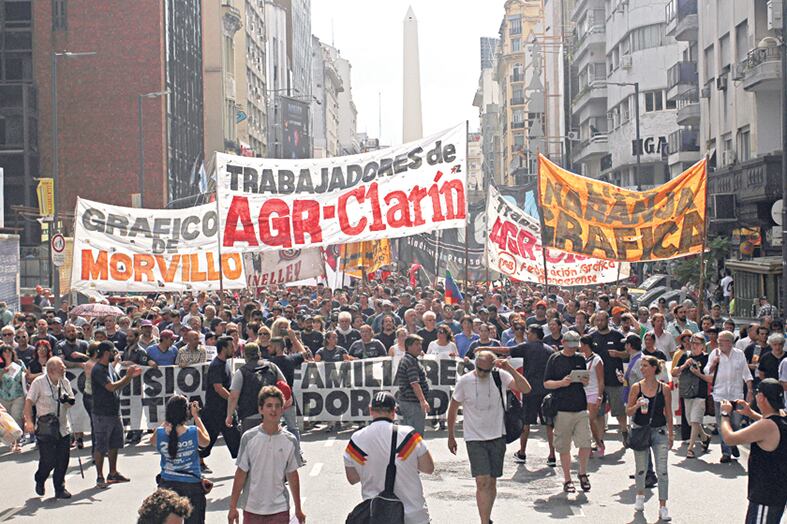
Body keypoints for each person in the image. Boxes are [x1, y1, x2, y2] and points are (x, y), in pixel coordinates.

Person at [447, 351, 531, 524]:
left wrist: (509, 368)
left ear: (492, 367)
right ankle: (484, 521)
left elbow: (526, 388)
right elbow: (453, 407)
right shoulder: (465, 381)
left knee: (491, 481)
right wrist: (451, 436)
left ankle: (488, 516)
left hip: (497, 435)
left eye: (486, 370)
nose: (481, 373)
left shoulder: (500, 376)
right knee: (482, 481)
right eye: (479, 369)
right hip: (474, 438)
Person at [345, 391, 433, 524]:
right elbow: (428, 468)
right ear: (394, 412)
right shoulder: (409, 436)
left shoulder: (356, 440)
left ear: (370, 410)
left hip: (378, 516)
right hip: (414, 516)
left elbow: (352, 478)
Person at [228, 385, 305, 524]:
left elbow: (292, 474)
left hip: (279, 509)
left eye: (277, 406)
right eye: (269, 405)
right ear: (260, 409)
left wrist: (298, 509)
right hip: (252, 509)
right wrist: (232, 507)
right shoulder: (249, 437)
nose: (273, 410)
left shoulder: (290, 440)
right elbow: (241, 472)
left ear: (282, 409)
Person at [718, 379, 787, 523]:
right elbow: (771, 421)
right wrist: (751, 414)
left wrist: (725, 415)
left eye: (757, 393)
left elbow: (730, 438)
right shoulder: (781, 417)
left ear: (761, 397)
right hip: (776, 493)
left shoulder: (766, 426)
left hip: (765, 495)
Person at [544, 331, 593, 493]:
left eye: (575, 347)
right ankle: (567, 479)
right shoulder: (555, 359)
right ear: (563, 342)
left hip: (580, 406)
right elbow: (547, 383)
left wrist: (584, 381)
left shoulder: (580, 359)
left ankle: (582, 473)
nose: (573, 350)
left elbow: (585, 381)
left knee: (585, 443)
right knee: (564, 447)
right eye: (570, 346)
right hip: (562, 407)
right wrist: (561, 383)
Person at [626, 355, 674, 521]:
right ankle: (640, 495)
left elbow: (668, 412)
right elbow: (628, 412)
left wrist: (671, 433)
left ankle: (663, 506)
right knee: (641, 468)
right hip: (640, 430)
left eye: (645, 366)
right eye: (642, 366)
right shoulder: (636, 387)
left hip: (659, 431)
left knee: (662, 470)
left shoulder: (664, 389)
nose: (642, 369)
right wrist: (637, 405)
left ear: (654, 368)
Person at [150, 395, 210, 524]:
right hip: (192, 485)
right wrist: (196, 416)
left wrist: (166, 421)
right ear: (186, 412)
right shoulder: (193, 432)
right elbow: (206, 441)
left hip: (167, 484)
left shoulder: (159, 433)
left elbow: (153, 442)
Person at [91, 340, 143, 488]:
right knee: (101, 445)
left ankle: (113, 473)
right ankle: (100, 476)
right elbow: (111, 387)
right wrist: (128, 376)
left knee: (115, 443)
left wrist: (130, 377)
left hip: (114, 411)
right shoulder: (98, 370)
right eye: (114, 351)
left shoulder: (109, 367)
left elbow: (117, 383)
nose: (116, 354)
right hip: (102, 414)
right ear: (107, 353)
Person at [23, 357, 75, 498]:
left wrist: (67, 400)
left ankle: (59, 488)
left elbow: (71, 401)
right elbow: (29, 403)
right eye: (61, 367)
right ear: (52, 370)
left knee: (63, 459)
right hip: (46, 427)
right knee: (48, 460)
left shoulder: (65, 382)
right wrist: (29, 422)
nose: (64, 369)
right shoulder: (39, 382)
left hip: (63, 427)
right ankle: (40, 478)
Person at [705, 330, 753, 463]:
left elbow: (746, 373)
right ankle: (726, 452)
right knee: (722, 424)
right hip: (720, 395)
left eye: (722, 340)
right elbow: (706, 370)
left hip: (736, 394)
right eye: (719, 341)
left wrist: (749, 390)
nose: (719, 343)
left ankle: (732, 443)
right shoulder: (715, 353)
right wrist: (714, 363)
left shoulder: (739, 354)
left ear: (730, 342)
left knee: (735, 422)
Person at [200, 336, 241, 474]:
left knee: (235, 437)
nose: (233, 349)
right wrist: (233, 400)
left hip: (224, 410)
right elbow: (218, 388)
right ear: (223, 348)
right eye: (231, 346)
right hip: (214, 410)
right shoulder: (216, 365)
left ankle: (245, 465)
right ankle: (198, 463)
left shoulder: (225, 363)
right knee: (207, 439)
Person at [226, 343, 286, 434]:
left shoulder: (241, 372)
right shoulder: (272, 367)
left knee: (251, 445)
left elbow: (234, 396)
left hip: (250, 416)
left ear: (244, 355)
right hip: (272, 414)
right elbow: (284, 385)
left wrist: (229, 416)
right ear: (259, 353)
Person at [672, 333, 713, 458]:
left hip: (700, 393)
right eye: (692, 343)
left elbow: (710, 379)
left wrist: (698, 373)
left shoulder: (707, 358)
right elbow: (673, 372)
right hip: (687, 392)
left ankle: (690, 449)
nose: (694, 346)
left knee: (695, 420)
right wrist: (684, 365)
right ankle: (705, 437)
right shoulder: (685, 356)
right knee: (690, 421)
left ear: (703, 346)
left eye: (697, 344)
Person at [590, 311, 628, 444]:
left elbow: (627, 353)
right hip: (597, 381)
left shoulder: (617, 336)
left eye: (602, 320)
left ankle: (624, 432)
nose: (599, 323)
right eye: (597, 320)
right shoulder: (592, 337)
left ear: (608, 320)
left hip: (614, 380)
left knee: (618, 410)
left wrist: (618, 353)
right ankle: (599, 440)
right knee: (599, 413)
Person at [394, 334, 430, 436]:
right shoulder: (410, 361)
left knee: (408, 435)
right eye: (416, 344)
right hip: (412, 403)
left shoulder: (410, 359)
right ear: (408, 346)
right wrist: (422, 401)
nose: (420, 347)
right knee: (415, 436)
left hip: (409, 402)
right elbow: (414, 383)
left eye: (420, 344)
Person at [579, 335, 605, 457]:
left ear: (585, 345)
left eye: (581, 344)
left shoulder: (597, 360)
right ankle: (588, 447)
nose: (579, 347)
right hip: (582, 393)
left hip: (593, 392)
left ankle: (599, 443)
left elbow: (601, 380)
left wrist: (600, 396)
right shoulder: (580, 358)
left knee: (590, 420)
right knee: (584, 421)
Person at [0, 345, 26, 452]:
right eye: (5, 352)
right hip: (3, 396)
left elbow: (25, 375)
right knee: (7, 421)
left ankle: (17, 442)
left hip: (17, 394)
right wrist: (2, 372)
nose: (7, 353)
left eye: (9, 351)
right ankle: (10, 441)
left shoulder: (19, 363)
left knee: (17, 417)